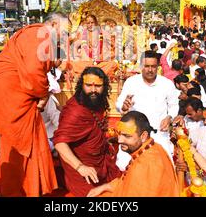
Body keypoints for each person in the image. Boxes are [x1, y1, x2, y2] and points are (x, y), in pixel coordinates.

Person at [0, 13, 67, 196]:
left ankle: (31, 188)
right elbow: (33, 72)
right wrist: (44, 93)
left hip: (15, 93)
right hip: (11, 93)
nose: (65, 36)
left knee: (31, 139)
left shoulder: (41, 36)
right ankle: (19, 189)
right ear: (54, 24)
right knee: (19, 143)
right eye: (65, 31)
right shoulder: (40, 33)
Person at [53, 67, 121, 196]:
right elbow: (60, 143)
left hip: (100, 160)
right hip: (80, 165)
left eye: (98, 86)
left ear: (105, 86)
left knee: (121, 186)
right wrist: (80, 167)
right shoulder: (76, 110)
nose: (93, 90)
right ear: (81, 85)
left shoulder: (98, 100)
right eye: (88, 85)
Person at [87, 111, 179, 197]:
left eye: (127, 136)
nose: (119, 140)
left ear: (143, 136)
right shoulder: (152, 147)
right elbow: (127, 182)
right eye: (119, 134)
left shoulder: (148, 164)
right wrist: (106, 186)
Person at [116, 50, 179, 166]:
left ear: (158, 67)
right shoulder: (131, 82)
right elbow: (119, 104)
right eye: (146, 66)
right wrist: (124, 107)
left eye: (153, 66)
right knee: (127, 168)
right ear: (141, 66)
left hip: (159, 133)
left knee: (162, 168)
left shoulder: (167, 84)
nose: (150, 70)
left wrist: (169, 117)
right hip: (134, 135)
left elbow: (174, 106)